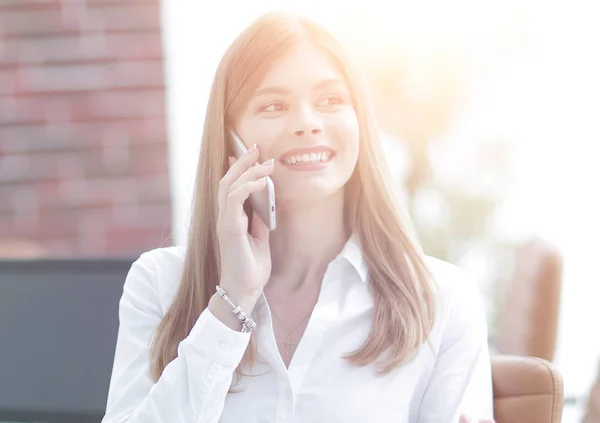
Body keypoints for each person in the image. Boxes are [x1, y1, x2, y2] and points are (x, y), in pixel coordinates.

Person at [101, 12, 494, 423]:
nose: (307, 123)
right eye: (274, 106)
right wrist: (232, 302)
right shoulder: (161, 284)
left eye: (330, 101)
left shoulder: (441, 301)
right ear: (230, 138)